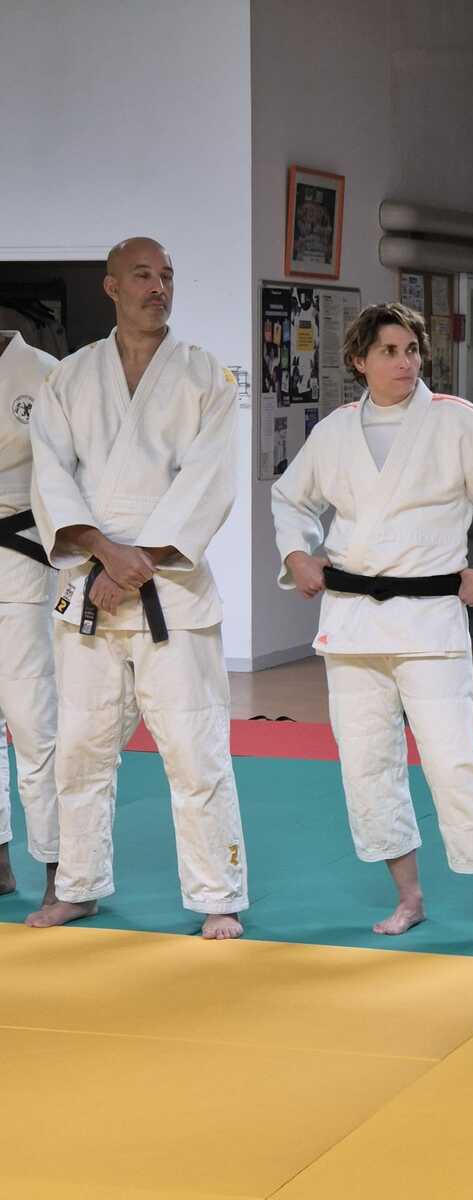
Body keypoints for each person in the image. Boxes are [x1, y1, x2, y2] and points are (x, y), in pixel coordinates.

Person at [272, 302, 473, 946]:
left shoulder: (461, 422)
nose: (404, 362)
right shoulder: (335, 431)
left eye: (412, 350)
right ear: (359, 361)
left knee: (455, 763)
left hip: (429, 619)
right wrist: (298, 554)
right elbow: (290, 498)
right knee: (368, 765)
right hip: (353, 621)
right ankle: (408, 897)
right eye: (389, 351)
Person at [25, 237, 247, 939]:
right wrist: (102, 553)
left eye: (168, 276)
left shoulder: (206, 376)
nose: (159, 287)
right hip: (88, 588)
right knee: (79, 750)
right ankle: (78, 886)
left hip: (169, 592)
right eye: (144, 275)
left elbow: (209, 479)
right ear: (112, 286)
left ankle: (217, 894)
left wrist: (135, 561)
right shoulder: (70, 377)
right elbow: (50, 475)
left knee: (194, 749)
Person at [0, 330, 59, 906]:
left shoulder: (44, 371)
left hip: (24, 568)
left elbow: (75, 470)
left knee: (35, 725)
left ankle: (60, 867)